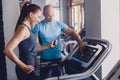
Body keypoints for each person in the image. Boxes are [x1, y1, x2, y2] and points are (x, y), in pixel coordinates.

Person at [32, 5, 85, 80]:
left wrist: (80, 42)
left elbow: (73, 32)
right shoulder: (38, 26)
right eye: (49, 16)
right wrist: (34, 59)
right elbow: (36, 47)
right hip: (45, 59)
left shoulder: (58, 24)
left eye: (53, 15)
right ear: (44, 14)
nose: (51, 18)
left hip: (58, 59)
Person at [4, 2, 42, 80]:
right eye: (38, 17)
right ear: (31, 15)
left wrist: (49, 45)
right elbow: (7, 50)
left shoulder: (27, 27)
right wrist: (23, 66)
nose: (39, 20)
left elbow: (32, 49)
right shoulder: (23, 29)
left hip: (29, 67)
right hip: (25, 69)